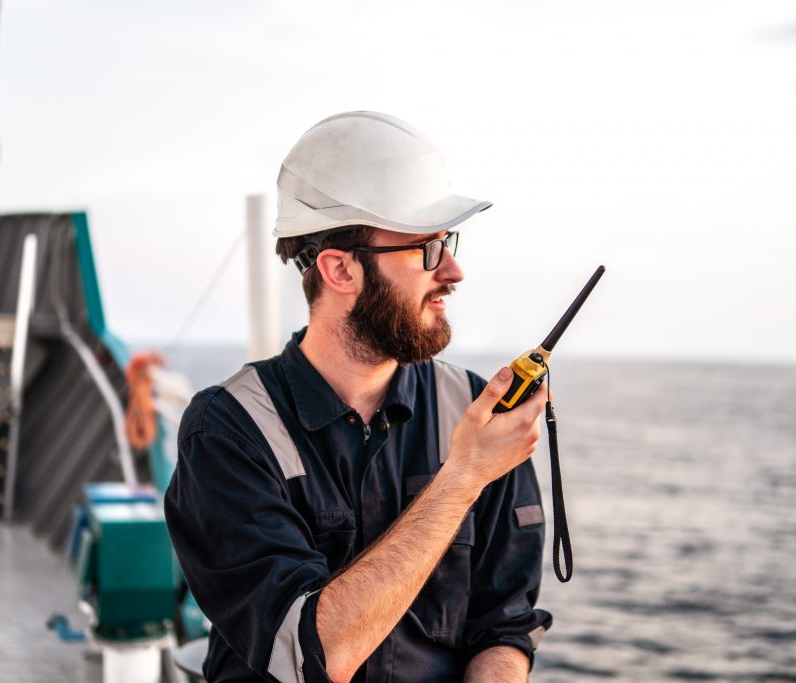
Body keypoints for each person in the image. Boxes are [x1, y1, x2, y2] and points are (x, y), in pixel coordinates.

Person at [165, 111, 552, 683]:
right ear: (340, 270)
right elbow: (315, 657)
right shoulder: (229, 431)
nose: (453, 270)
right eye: (426, 249)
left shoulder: (475, 408)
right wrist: (463, 475)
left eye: (448, 242)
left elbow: (503, 626)